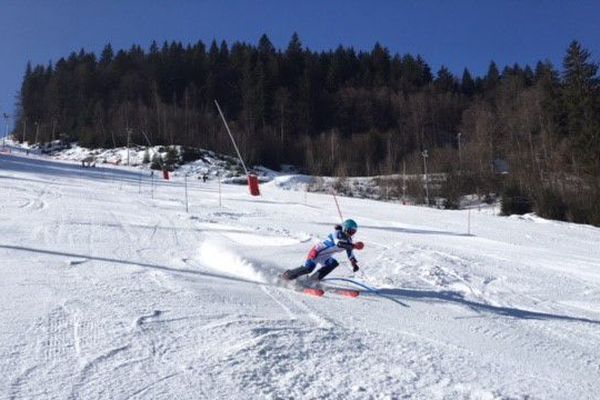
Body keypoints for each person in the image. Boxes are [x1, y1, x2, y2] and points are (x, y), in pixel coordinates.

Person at [282, 219, 364, 282]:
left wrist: (354, 263)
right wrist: (354, 246)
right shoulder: (337, 233)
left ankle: (313, 280)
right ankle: (287, 275)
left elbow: (350, 253)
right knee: (309, 268)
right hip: (316, 252)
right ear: (345, 229)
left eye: (354, 232)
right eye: (351, 231)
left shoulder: (348, 240)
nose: (351, 234)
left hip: (325, 256)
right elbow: (338, 243)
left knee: (333, 263)